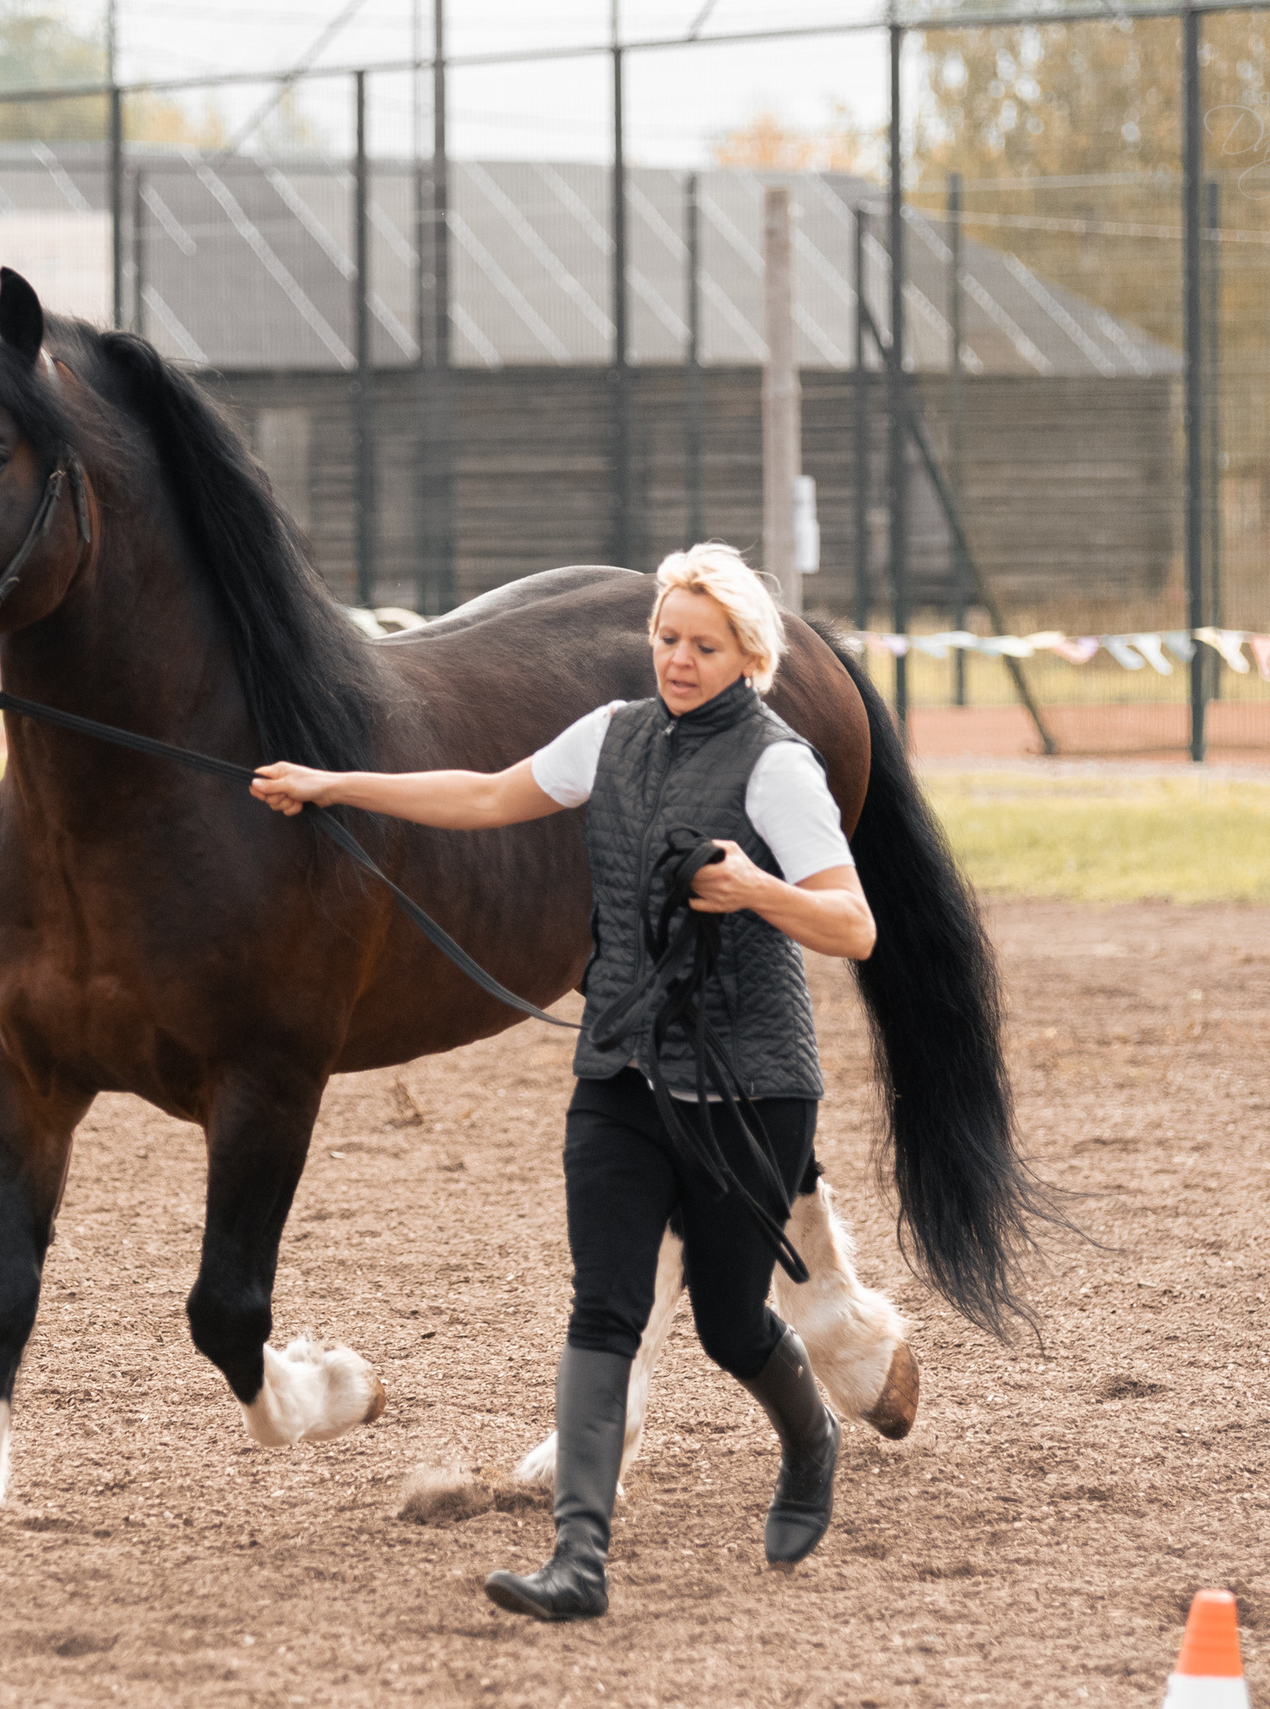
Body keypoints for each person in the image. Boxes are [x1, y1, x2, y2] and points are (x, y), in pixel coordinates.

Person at [251, 544, 874, 1621]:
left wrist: (753, 886)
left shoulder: (778, 767)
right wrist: (332, 783)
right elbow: (488, 796)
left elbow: (852, 923)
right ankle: (578, 1556)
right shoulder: (613, 734)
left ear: (747, 655)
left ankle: (808, 1435)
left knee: (731, 1321)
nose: (676, 660)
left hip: (749, 1082)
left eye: (701, 645)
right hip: (622, 1069)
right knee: (604, 1308)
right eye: (666, 639)